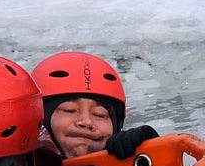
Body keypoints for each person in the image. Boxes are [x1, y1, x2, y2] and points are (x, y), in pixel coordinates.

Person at [31, 51, 159, 159]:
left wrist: (154, 153)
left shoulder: (128, 165)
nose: (86, 122)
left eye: (100, 114)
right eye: (69, 110)